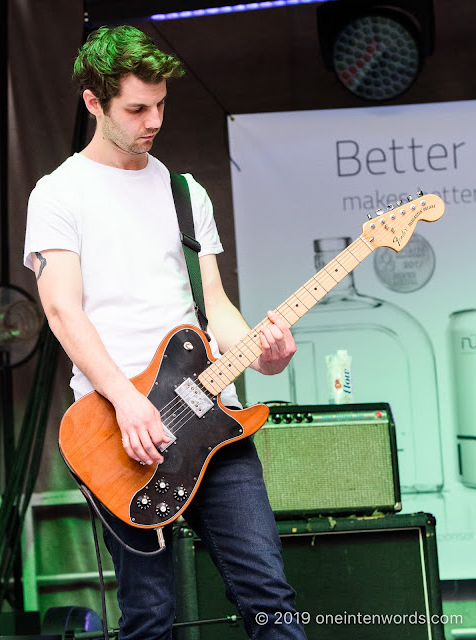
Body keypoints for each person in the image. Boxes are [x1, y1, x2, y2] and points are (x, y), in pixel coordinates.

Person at [24, 25, 307, 640]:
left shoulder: (184, 192)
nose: (154, 121)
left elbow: (214, 305)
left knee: (269, 594)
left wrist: (264, 358)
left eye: (160, 106)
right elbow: (63, 311)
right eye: (136, 108)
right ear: (94, 102)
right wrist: (126, 401)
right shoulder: (57, 194)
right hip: (118, 429)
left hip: (212, 415)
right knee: (151, 614)